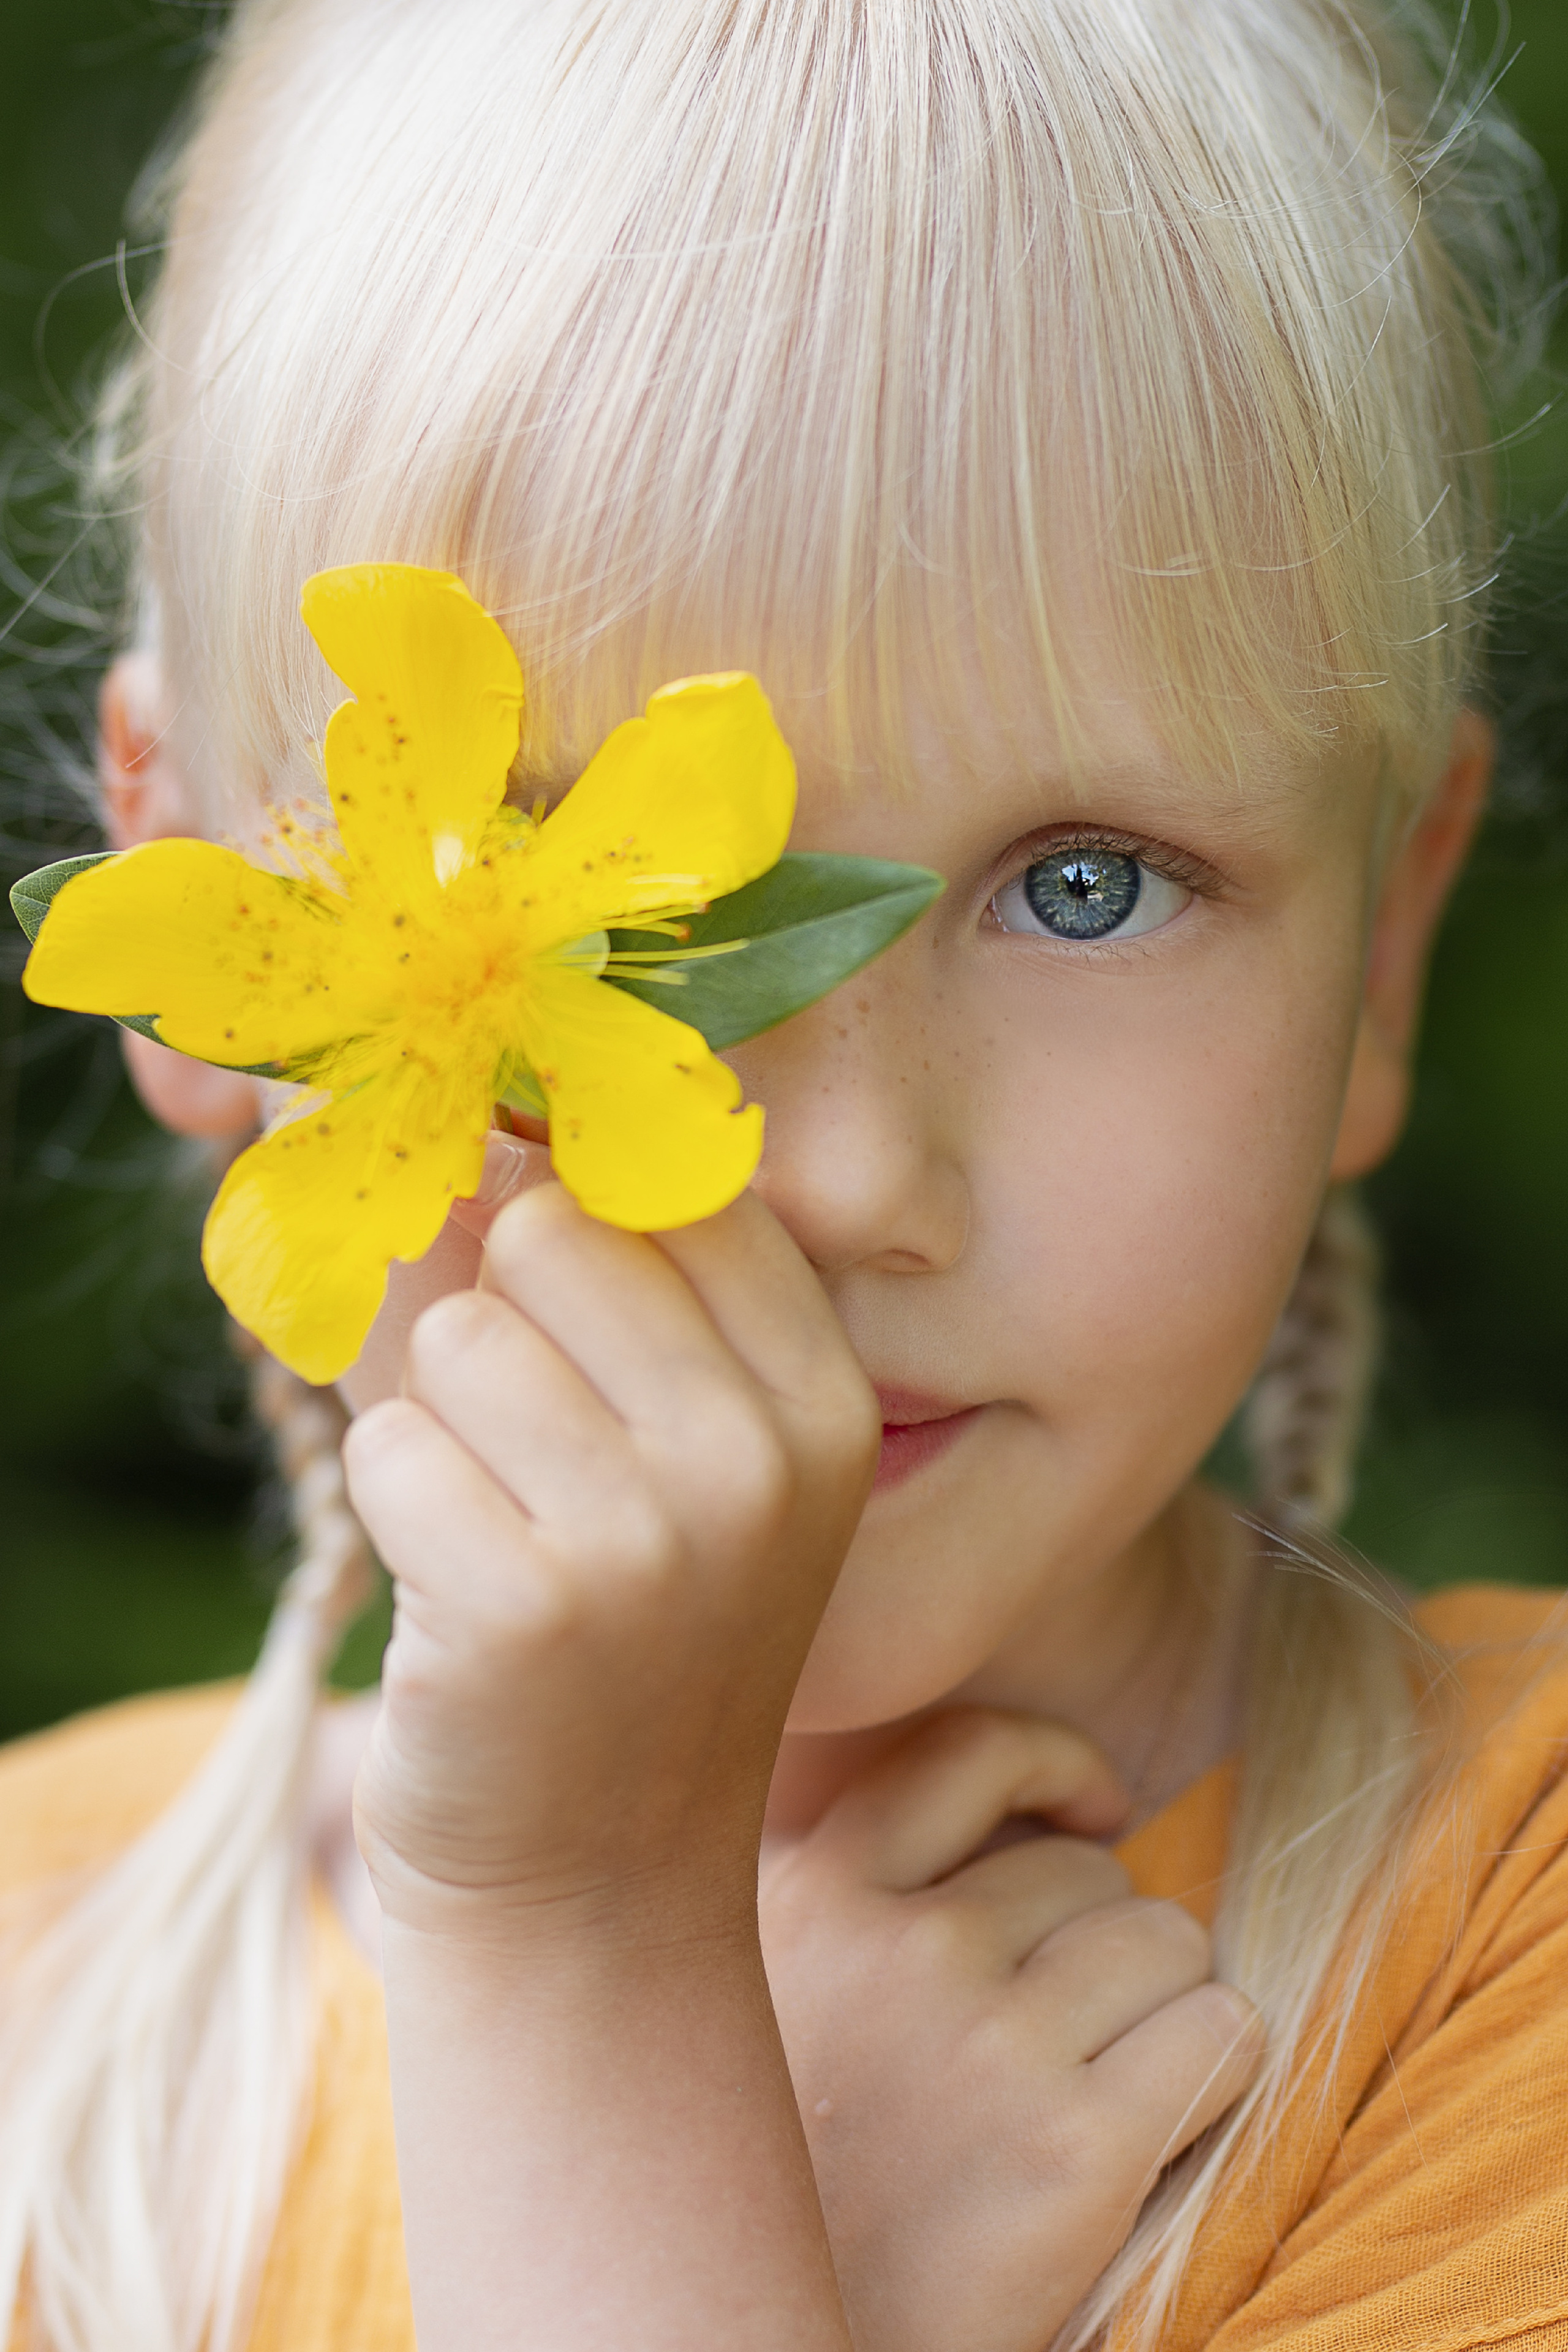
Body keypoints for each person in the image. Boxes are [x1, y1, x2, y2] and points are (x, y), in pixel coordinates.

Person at [2, 0, 1565, 2345]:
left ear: (1384, 949)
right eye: (584, 914)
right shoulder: (36, 1981)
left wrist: (589, 1966)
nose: (832, 1174)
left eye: (1088, 886)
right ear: (200, 939)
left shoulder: (1504, 1924)